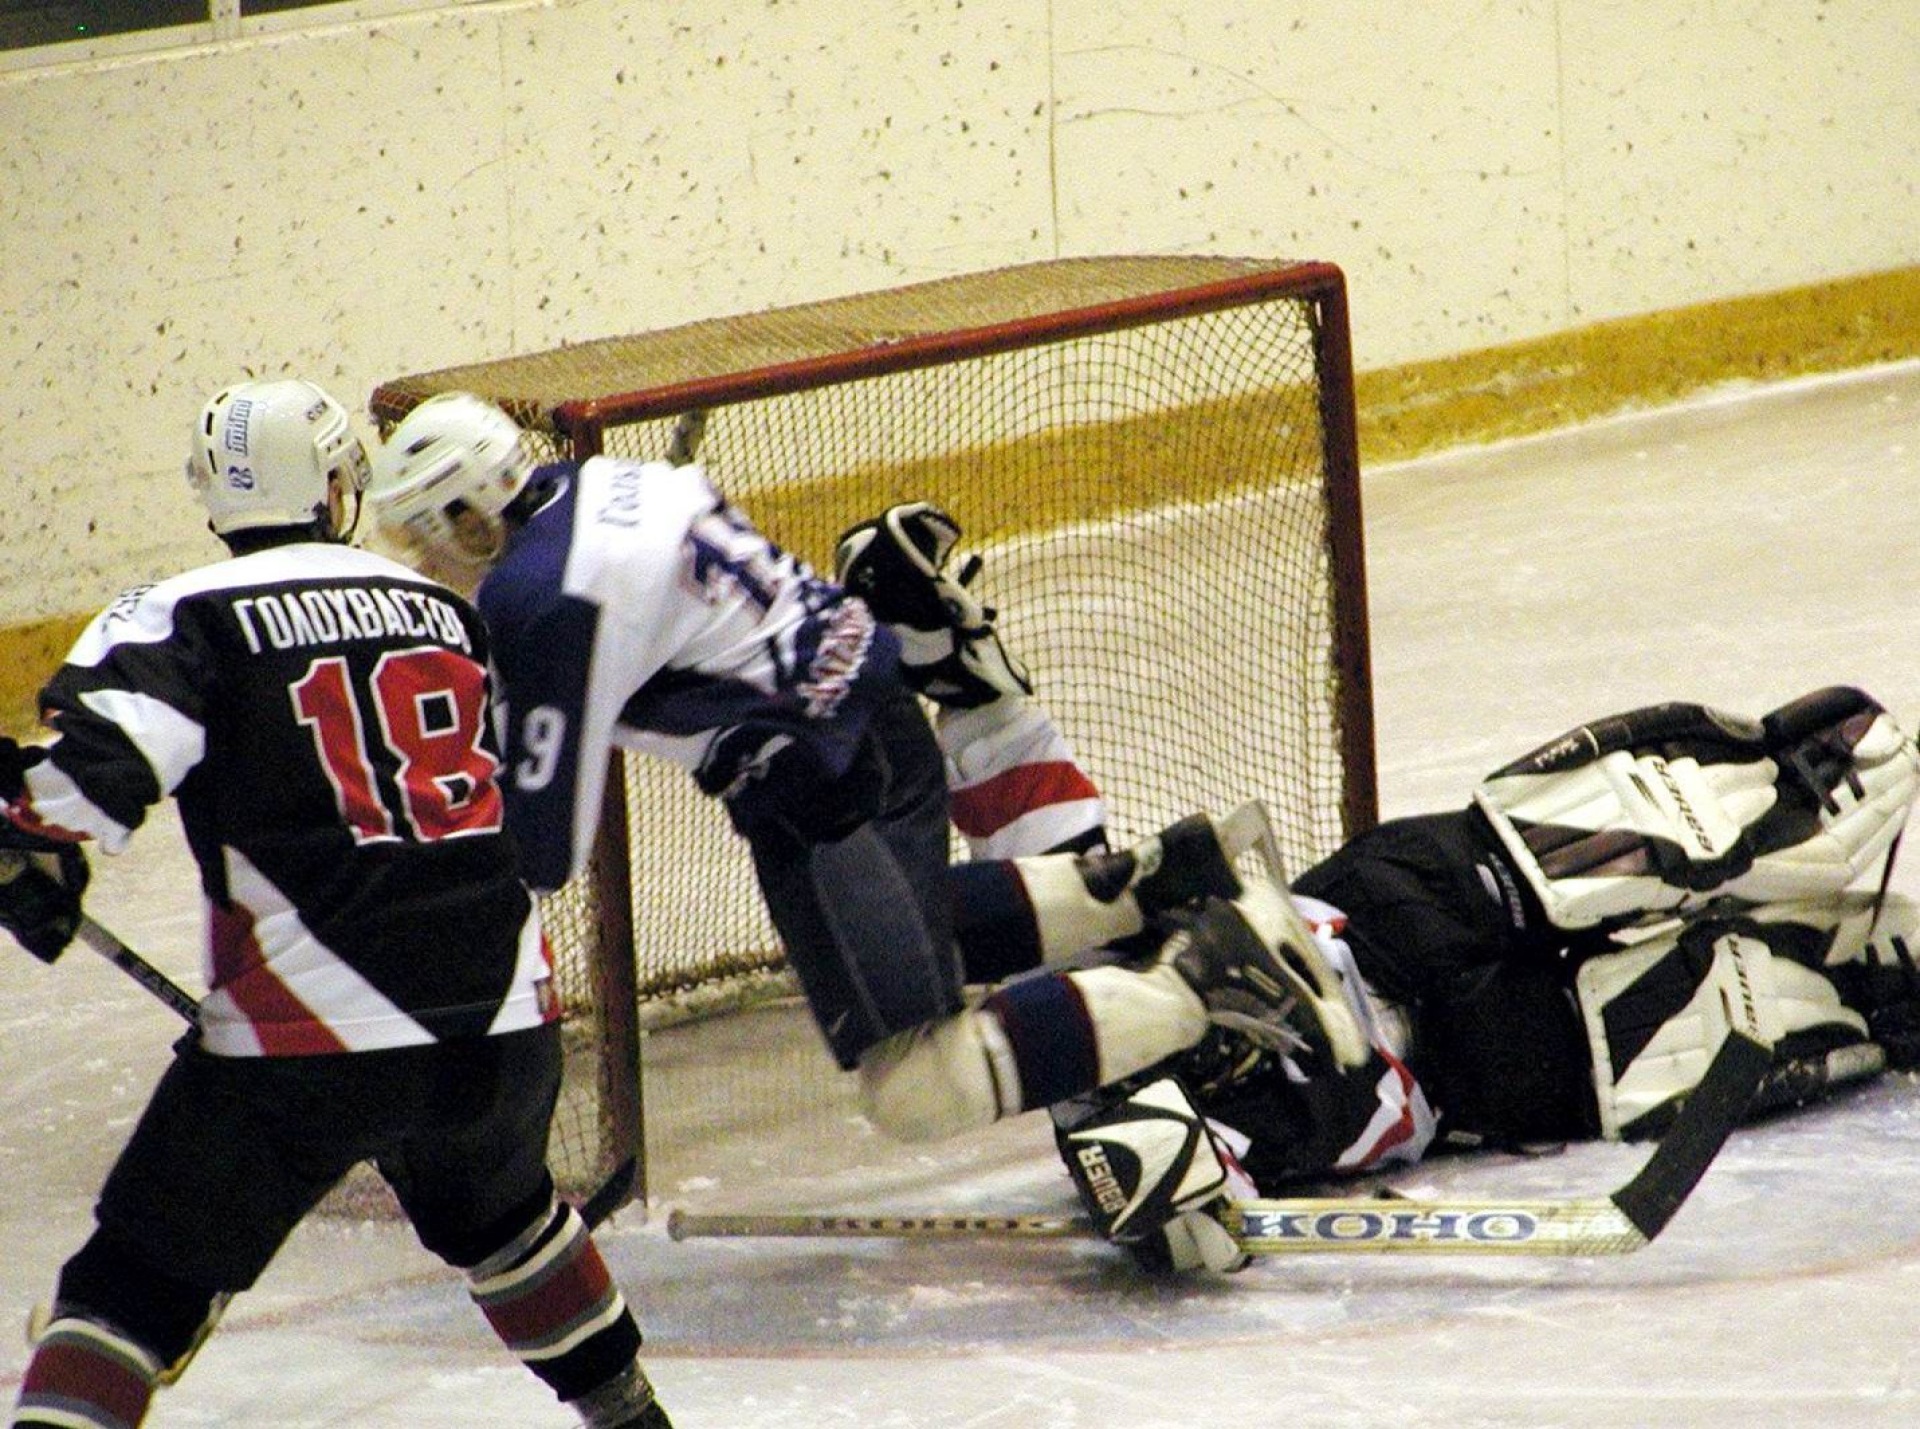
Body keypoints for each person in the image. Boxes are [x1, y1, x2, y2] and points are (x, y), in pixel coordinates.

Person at [831, 500, 1920, 1272]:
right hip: (1413, 983)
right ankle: (987, 703)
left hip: (1415, 1021)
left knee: (1715, 950)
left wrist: (1175, 1219)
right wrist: (1172, 1210)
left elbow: (1194, 1228)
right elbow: (1187, 1216)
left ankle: (1203, 976)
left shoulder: (1098, 1089)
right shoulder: (1097, 1074)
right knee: (1721, 988)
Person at [364, 396, 1365, 1179]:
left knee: (913, 1084)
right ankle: (1162, 877)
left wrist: (418, 894)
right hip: (878, 719)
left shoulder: (538, 597)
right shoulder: (607, 480)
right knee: (919, 927)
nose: (427, 563)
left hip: (827, 793)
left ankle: (1212, 975)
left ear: (469, 512)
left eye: (426, 537)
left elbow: (545, 850)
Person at [1, 380, 672, 1428]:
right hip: (502, 1021)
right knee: (505, 1216)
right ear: (331, 485)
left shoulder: (181, 613)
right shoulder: (445, 607)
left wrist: (17, 841)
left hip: (309, 1040)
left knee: (130, 1287)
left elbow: (79, 790)